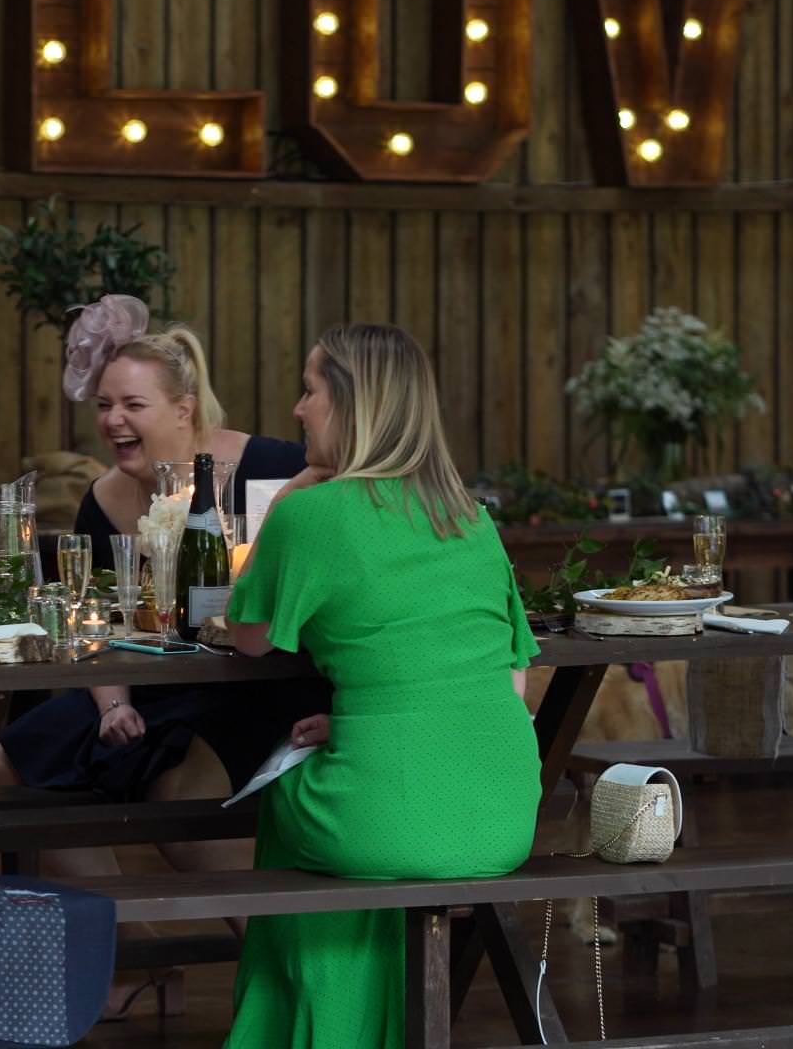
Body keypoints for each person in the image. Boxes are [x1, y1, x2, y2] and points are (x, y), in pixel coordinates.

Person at [0, 294, 329, 1019]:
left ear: (184, 409)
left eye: (132, 405)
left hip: (263, 678)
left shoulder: (273, 466)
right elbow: (93, 616)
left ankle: (294, 972)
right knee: (9, 766)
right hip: (157, 680)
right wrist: (113, 701)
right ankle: (136, 955)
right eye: (105, 405)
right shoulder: (105, 499)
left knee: (177, 786)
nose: (113, 420)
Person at [220, 322, 540, 1048]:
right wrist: (360, 724)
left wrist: (290, 495)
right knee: (361, 810)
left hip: (386, 817)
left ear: (352, 404)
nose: (298, 410)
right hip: (504, 815)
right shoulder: (468, 516)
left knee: (292, 800)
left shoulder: (312, 514)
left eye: (310, 391)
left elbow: (247, 635)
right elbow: (509, 684)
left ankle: (307, 1035)